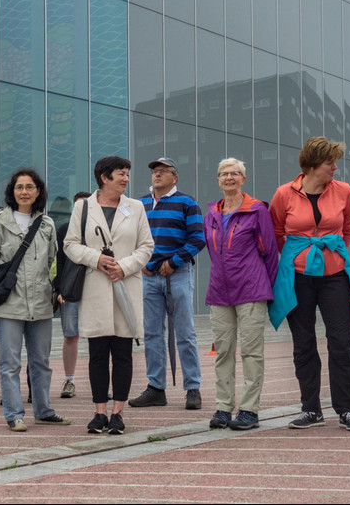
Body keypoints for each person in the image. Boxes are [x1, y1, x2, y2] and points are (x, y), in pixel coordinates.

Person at [269, 137, 350, 431]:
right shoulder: (284, 194)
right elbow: (275, 234)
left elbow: (348, 227)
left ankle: (347, 409)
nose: (335, 167)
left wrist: (329, 251)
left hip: (335, 275)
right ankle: (311, 409)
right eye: (329, 163)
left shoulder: (344, 191)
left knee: (342, 342)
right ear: (311, 166)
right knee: (304, 343)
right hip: (297, 276)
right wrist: (302, 255)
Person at [64, 157, 154, 435]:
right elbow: (70, 245)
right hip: (96, 287)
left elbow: (147, 246)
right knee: (98, 354)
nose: (126, 179)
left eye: (127, 174)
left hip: (126, 285)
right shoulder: (83, 207)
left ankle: (118, 413)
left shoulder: (136, 207)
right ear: (104, 177)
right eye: (120, 174)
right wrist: (97, 259)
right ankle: (99, 412)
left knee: (123, 353)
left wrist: (123, 267)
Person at [0, 168, 71, 432]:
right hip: (9, 302)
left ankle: (43, 410)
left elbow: (52, 260)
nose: (24, 191)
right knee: (10, 363)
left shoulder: (47, 224)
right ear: (12, 191)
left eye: (30, 187)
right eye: (19, 187)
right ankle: (14, 414)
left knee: (41, 361)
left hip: (40, 302)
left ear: (38, 191)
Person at [202, 158, 279, 431]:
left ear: (244, 179)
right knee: (222, 352)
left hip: (251, 290)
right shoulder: (210, 213)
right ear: (218, 180)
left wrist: (266, 290)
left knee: (251, 352)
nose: (229, 177)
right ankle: (223, 407)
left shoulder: (257, 210)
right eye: (224, 173)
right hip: (219, 291)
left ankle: (249, 410)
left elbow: (270, 252)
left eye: (235, 173)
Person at [130, 157, 206, 411]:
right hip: (149, 275)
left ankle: (192, 388)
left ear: (175, 178)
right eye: (155, 171)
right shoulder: (139, 204)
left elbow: (198, 238)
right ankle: (156, 388)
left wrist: (173, 261)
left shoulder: (187, 202)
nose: (158, 174)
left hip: (178, 273)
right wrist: (141, 262)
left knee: (185, 333)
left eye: (164, 171)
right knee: (152, 333)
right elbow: (131, 237)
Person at [54, 191, 91, 399]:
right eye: (77, 205)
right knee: (70, 335)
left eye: (84, 205)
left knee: (100, 337)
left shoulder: (100, 229)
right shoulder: (64, 229)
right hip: (70, 288)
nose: (80, 209)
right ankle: (69, 380)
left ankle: (100, 381)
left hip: (95, 288)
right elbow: (59, 260)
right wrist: (59, 289)